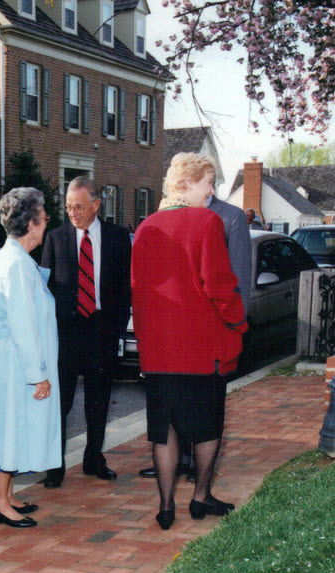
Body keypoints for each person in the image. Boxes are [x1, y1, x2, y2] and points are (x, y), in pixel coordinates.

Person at [131, 152, 248, 530]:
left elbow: (138, 293)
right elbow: (218, 284)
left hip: (159, 351)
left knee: (165, 432)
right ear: (186, 183)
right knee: (208, 427)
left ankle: (166, 507)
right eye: (208, 183)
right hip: (201, 349)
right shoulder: (206, 221)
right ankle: (200, 498)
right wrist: (238, 322)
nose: (212, 191)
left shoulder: (146, 227)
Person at [40, 177, 131, 488]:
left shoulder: (118, 238)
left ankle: (94, 458)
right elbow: (45, 291)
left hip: (102, 330)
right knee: (61, 403)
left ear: (96, 205)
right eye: (67, 207)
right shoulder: (55, 238)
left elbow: (124, 288)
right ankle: (55, 466)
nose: (72, 213)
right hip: (66, 333)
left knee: (98, 400)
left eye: (79, 207)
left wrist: (117, 326)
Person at [0, 188, 61, 528]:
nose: (46, 224)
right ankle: (0, 502)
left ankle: (7, 495)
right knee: (8, 429)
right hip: (15, 364)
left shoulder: (17, 259)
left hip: (14, 362)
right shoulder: (14, 263)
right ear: (31, 223)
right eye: (43, 218)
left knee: (13, 427)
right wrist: (38, 373)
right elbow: (24, 325)